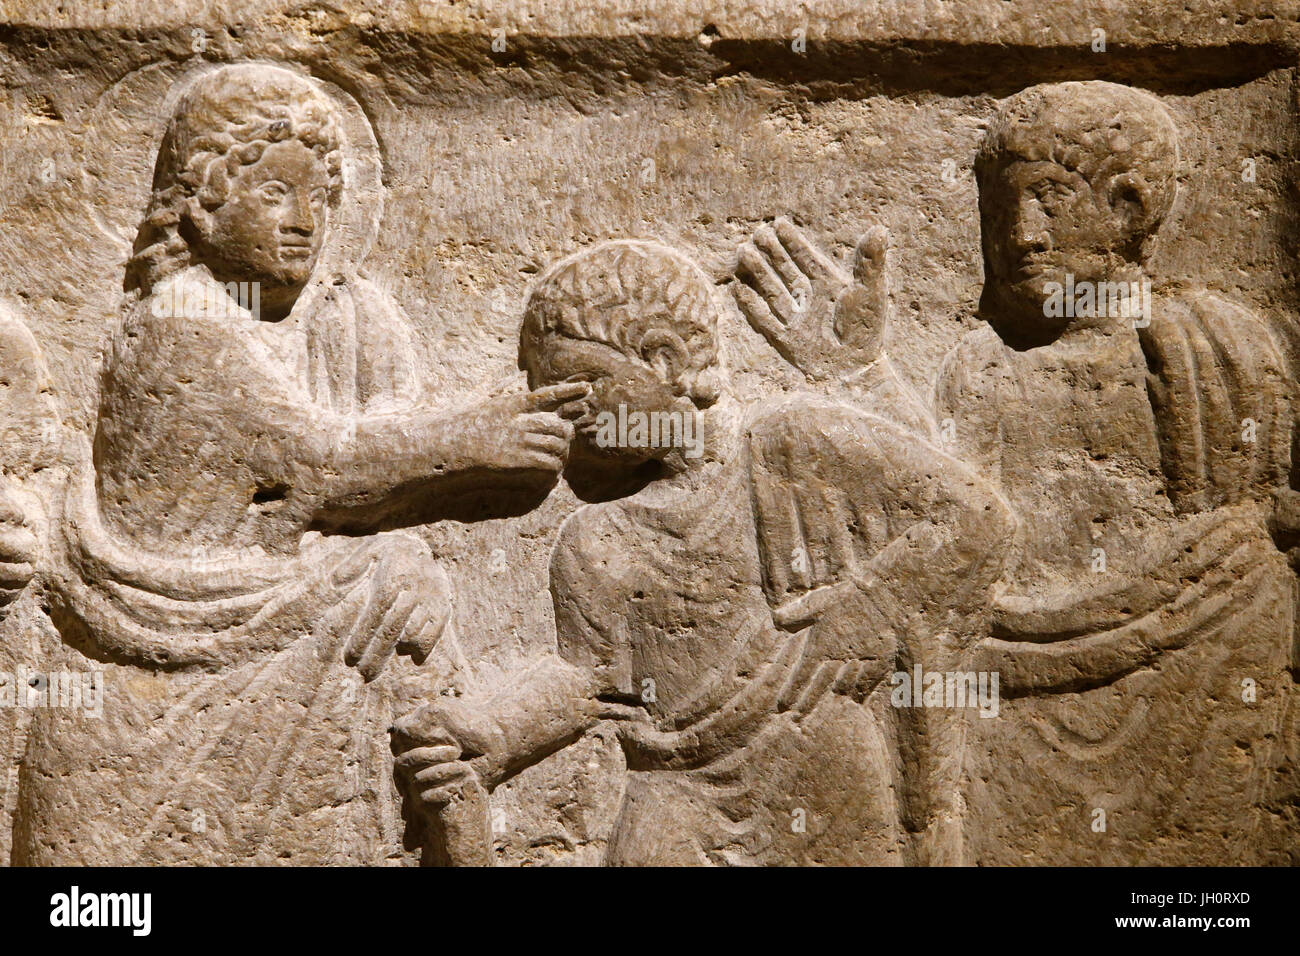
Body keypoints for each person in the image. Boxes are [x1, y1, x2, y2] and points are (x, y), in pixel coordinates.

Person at [16, 63, 583, 865]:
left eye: (321, 200)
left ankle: (451, 809)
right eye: (276, 193)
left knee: (395, 585)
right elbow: (315, 465)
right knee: (384, 590)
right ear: (198, 202)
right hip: (165, 664)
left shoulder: (295, 325)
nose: (304, 222)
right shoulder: (182, 323)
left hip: (254, 635)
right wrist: (474, 437)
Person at [392, 239, 1013, 864]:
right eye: (549, 392)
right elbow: (588, 680)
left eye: (583, 385)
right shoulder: (596, 540)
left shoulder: (791, 445)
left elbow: (974, 518)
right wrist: (492, 734)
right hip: (673, 797)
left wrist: (868, 606)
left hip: (819, 774)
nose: (565, 412)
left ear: (666, 361)